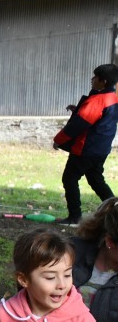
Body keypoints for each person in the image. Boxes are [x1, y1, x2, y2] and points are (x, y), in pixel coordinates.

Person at [53, 63, 118, 226]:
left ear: (102, 82)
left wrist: (58, 140)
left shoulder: (98, 100)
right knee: (96, 180)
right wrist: (78, 109)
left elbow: (78, 124)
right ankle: (115, 210)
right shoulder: (113, 97)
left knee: (69, 178)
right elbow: (100, 118)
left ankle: (75, 217)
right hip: (101, 149)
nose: (92, 80)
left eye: (95, 77)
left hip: (87, 149)